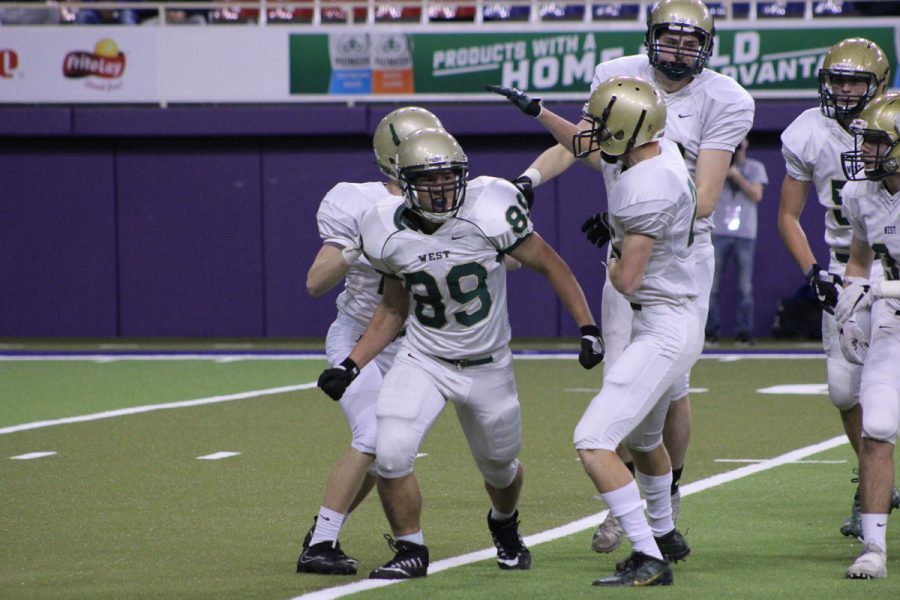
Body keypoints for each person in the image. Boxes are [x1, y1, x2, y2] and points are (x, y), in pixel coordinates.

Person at [490, 0, 753, 553]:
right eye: (669, 37)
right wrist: (531, 175)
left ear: (706, 47)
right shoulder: (618, 75)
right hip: (628, 239)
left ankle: (665, 498)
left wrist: (631, 215)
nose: (679, 49)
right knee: (622, 385)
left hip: (678, 251)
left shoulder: (726, 99)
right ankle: (644, 509)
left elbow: (703, 200)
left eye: (691, 40)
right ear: (650, 36)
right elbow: (589, 144)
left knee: (667, 386)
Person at [316, 128, 606, 579]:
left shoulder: (490, 207)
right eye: (428, 179)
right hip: (423, 357)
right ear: (404, 182)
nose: (441, 187)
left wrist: (587, 326)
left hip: (487, 366)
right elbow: (394, 306)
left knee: (502, 470)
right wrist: (353, 362)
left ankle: (504, 523)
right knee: (389, 452)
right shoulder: (382, 225)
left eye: (449, 176)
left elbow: (550, 263)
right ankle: (411, 549)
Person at [496, 75, 701, 586]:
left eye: (601, 122)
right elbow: (587, 145)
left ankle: (648, 553)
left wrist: (613, 245)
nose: (591, 130)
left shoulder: (643, 187)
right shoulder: (660, 152)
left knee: (592, 440)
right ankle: (664, 533)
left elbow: (627, 280)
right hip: (673, 313)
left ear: (627, 129)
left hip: (660, 322)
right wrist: (541, 112)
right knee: (645, 436)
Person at [297, 106, 445, 576]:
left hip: (416, 348)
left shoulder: (449, 200)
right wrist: (356, 247)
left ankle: (323, 531)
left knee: (388, 450)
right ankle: (319, 545)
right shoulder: (354, 201)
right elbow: (316, 283)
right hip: (358, 336)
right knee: (374, 437)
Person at [777, 37, 899, 540]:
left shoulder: (892, 121)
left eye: (855, 81)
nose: (845, 90)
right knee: (843, 388)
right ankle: (872, 479)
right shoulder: (808, 131)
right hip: (848, 266)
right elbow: (787, 216)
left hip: (891, 267)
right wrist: (815, 275)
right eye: (837, 80)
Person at [833, 91, 900, 579]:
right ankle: (874, 547)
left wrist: (880, 287)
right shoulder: (860, 193)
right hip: (893, 318)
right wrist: (849, 304)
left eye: (878, 142)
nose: (868, 151)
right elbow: (860, 258)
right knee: (876, 425)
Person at [705, 136, 768, 346]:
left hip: (745, 233)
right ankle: (709, 332)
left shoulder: (755, 167)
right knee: (711, 286)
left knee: (744, 287)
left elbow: (757, 195)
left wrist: (738, 176)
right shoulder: (717, 165)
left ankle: (744, 333)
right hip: (719, 231)